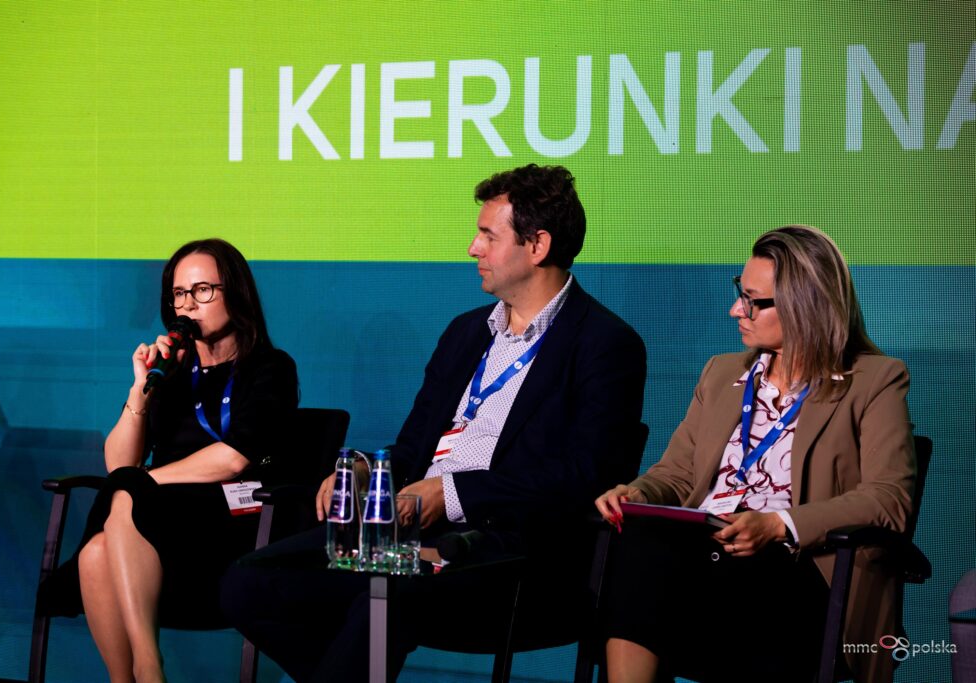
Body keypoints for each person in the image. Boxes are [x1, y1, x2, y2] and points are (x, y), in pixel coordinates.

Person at [221, 164, 647, 681]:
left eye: (488, 235)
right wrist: (365, 470)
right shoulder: (465, 333)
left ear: (537, 245)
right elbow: (412, 451)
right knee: (248, 583)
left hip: (508, 554)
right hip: (405, 533)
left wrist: (450, 494)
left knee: (384, 596)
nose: (472, 248)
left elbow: (584, 477)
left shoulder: (605, 344)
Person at [595, 225, 915, 683]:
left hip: (798, 570)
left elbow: (888, 499)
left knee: (720, 572)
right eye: (739, 294)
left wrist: (777, 525)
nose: (735, 311)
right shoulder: (721, 372)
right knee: (636, 545)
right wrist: (638, 493)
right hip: (703, 555)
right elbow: (679, 473)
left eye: (752, 301)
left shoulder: (875, 381)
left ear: (805, 306)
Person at [40, 238, 299, 683]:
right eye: (179, 294)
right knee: (97, 551)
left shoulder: (270, 367)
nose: (188, 304)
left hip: (236, 515)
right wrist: (141, 387)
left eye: (203, 290)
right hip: (160, 519)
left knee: (127, 493)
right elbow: (119, 463)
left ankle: (148, 665)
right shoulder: (173, 372)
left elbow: (234, 460)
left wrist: (145, 482)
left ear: (235, 292)